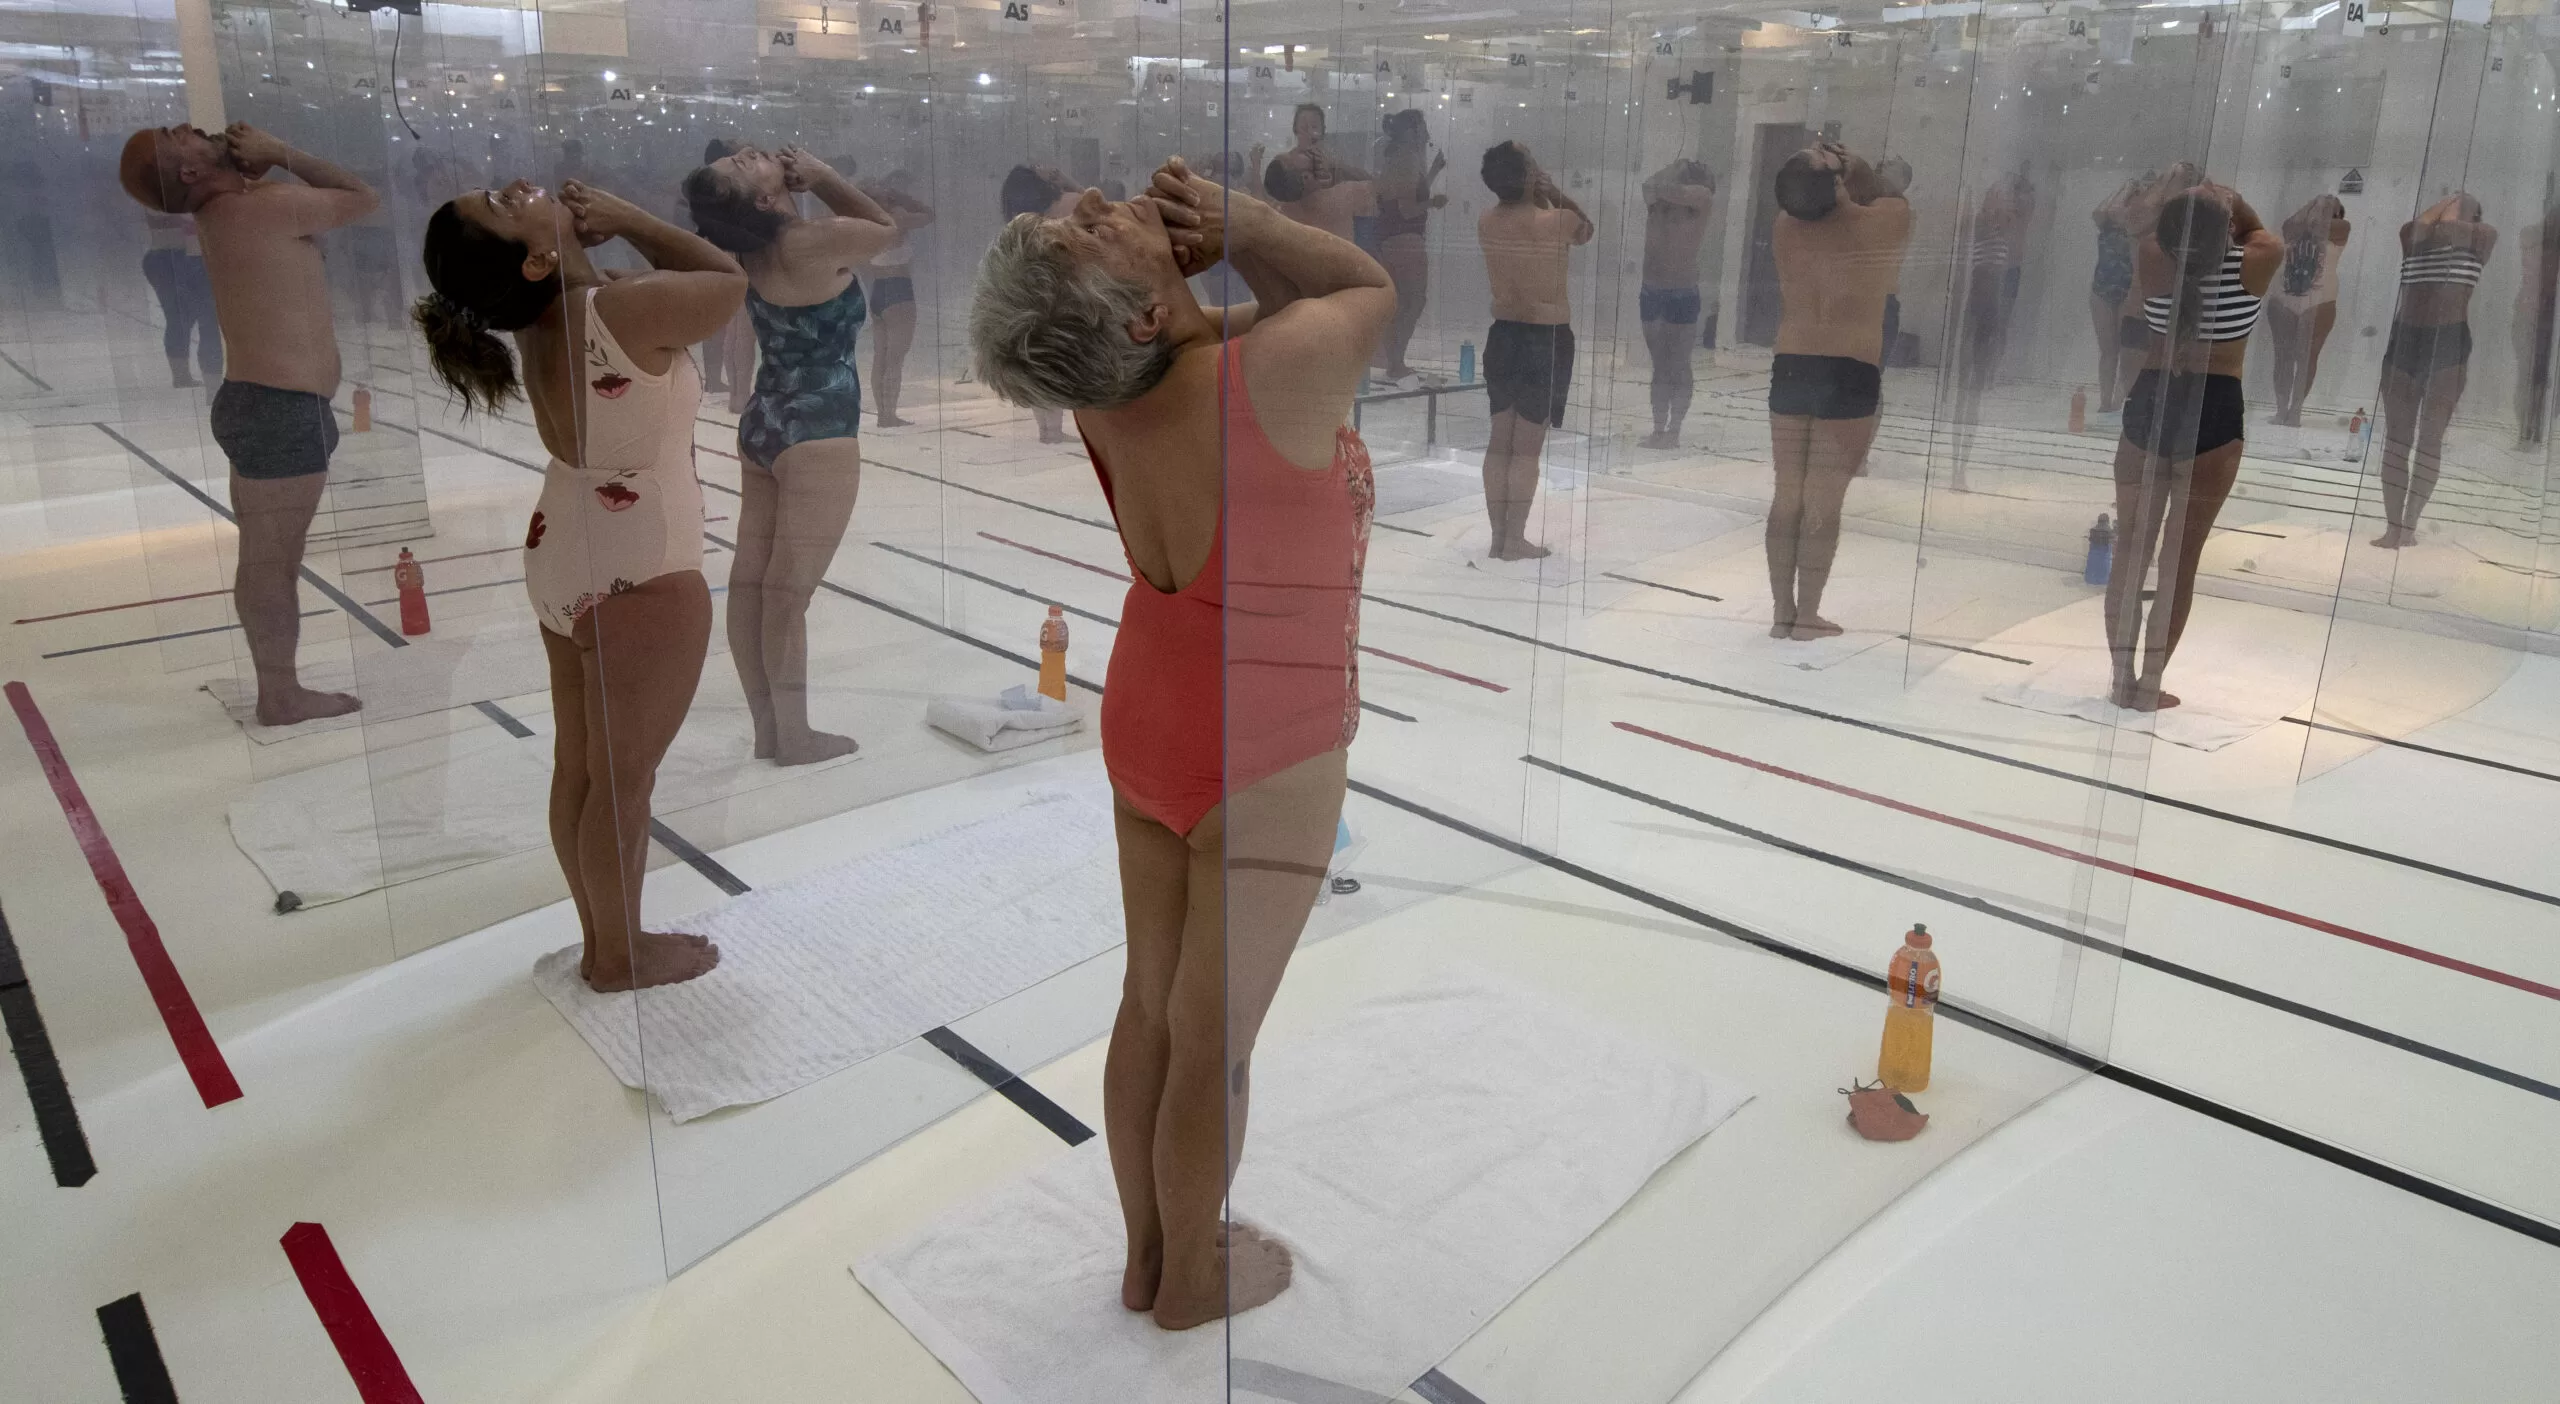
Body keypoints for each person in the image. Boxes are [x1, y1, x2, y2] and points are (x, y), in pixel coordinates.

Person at [970, 156, 1390, 1332]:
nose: (1091, 204)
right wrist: (1250, 221)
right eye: (1081, 234)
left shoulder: (1115, 383)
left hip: (1148, 705)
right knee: (1216, 1041)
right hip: (1268, 734)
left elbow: (1258, 321)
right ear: (1140, 316)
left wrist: (1193, 268)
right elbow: (1362, 288)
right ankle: (1191, 1286)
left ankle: (1146, 1256)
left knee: (1150, 1009)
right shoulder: (1270, 375)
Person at [414, 176, 746, 990]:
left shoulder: (553, 317)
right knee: (623, 783)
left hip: (562, 544)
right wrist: (630, 215)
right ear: (532, 260)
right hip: (643, 562)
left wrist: (590, 246)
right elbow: (729, 280)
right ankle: (618, 954)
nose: (517, 187)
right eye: (503, 204)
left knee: (583, 771)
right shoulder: (617, 311)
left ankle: (606, 937)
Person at [116, 122, 375, 726]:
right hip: (280, 411)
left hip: (266, 405)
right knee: (271, 562)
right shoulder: (255, 210)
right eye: (177, 136)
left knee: (266, 558)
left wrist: (250, 169)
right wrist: (282, 153)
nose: (189, 127)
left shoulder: (238, 209)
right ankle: (280, 694)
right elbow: (364, 198)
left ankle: (278, 686)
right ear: (189, 171)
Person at [683, 145, 898, 764]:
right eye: (739, 166)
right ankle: (796, 735)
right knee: (787, 594)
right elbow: (884, 229)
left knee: (751, 584)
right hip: (819, 429)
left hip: (764, 423)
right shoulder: (805, 243)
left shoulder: (747, 252)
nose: (745, 153)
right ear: (761, 199)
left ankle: (767, 727)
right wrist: (826, 177)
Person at [2106, 182, 2281, 710]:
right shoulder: (2256, 261)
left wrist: (2194, 205)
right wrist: (2235, 200)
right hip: (2215, 402)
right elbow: (2258, 231)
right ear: (2226, 228)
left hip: (2154, 396)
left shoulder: (2153, 256)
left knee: (2130, 552)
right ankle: (2149, 686)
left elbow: (2165, 233)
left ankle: (2121, 679)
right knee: (2179, 561)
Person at [1765, 142, 1909, 640]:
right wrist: (1858, 167)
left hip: (1793, 363)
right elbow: (1890, 196)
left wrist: (1834, 176)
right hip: (1849, 368)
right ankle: (1808, 615)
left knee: (1787, 495)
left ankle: (1782, 612)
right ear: (1838, 184)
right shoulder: (1881, 222)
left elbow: (1815, 205)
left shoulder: (1784, 228)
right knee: (1824, 502)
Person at [1476, 141, 1593, 561]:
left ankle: (1497, 537)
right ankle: (1515, 540)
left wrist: (1532, 192)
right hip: (1546, 338)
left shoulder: (1486, 221)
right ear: (1527, 175)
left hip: (1503, 335)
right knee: (1526, 448)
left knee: (1499, 443)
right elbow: (1586, 230)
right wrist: (1554, 192)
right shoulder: (1556, 220)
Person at [2374, 193, 2495, 548]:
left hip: (2448, 342)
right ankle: (2393, 525)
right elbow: (2413, 230)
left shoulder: (2482, 235)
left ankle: (2410, 524)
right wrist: (2442, 211)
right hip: (2405, 340)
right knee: (2397, 440)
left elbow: (2452, 232)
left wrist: (2442, 220)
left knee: (2430, 438)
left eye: (2458, 201)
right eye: (2444, 201)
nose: (2449, 204)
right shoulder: (2413, 237)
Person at [999, 163, 1080, 443]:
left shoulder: (1016, 217)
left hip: (1026, 288)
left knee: (1036, 356)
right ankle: (1054, 430)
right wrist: (1067, 179)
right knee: (1056, 356)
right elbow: (1097, 203)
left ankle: (1046, 428)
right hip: (1058, 286)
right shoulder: (1063, 204)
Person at [1638, 158, 1716, 448]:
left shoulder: (1700, 198)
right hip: (1652, 290)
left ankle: (1674, 430)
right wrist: (1673, 168)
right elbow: (1648, 186)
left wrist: (1674, 171)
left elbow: (1666, 188)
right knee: (1660, 365)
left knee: (1679, 364)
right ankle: (1659, 429)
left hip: (1681, 292)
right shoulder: (1659, 203)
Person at [1371, 110, 1447, 385]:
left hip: (1392, 239)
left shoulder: (1401, 157)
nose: (1427, 131)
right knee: (1413, 301)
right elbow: (1406, 209)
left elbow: (1409, 193)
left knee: (1404, 301)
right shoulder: (1407, 158)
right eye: (1422, 126)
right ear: (1412, 131)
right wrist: (1433, 203)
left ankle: (1395, 361)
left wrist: (1434, 171)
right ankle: (1396, 361)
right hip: (1405, 240)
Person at [857, 168, 935, 428]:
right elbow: (928, 215)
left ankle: (883, 413)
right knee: (895, 359)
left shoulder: (865, 222)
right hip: (899, 290)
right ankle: (889, 414)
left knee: (880, 355)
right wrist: (901, 196)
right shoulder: (896, 217)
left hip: (878, 291)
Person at [2266, 193, 2349, 428]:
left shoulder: (2341, 228)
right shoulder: (2293, 226)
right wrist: (2314, 204)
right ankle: (2281, 409)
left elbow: (2319, 229)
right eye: (2317, 203)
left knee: (2307, 357)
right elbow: (2290, 225)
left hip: (2320, 302)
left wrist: (2320, 206)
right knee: (2282, 356)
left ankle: (2295, 411)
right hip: (2284, 299)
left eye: (2330, 206)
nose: (2323, 204)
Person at [139, 209, 221, 387]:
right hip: (177, 257)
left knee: (182, 319)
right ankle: (192, 378)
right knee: (197, 321)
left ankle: (184, 376)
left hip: (170, 256)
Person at [2089, 174, 2145, 412]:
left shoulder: (2139, 225)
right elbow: (2099, 211)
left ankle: (2118, 401)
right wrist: (2126, 186)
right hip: (2102, 288)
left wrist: (2134, 194)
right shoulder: (2106, 223)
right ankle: (2105, 401)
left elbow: (2118, 215)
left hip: (2128, 290)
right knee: (2108, 350)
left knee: (2126, 351)